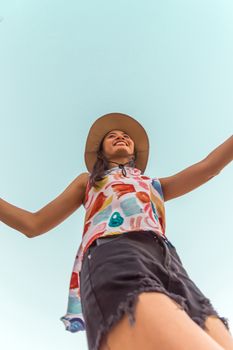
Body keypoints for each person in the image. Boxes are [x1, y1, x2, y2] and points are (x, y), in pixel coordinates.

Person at [0, 113, 233, 350]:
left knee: (216, 336)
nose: (120, 137)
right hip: (115, 252)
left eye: (125, 136)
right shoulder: (89, 182)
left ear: (134, 153)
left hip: (169, 262)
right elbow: (33, 224)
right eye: (112, 136)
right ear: (101, 151)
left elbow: (209, 168)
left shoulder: (154, 185)